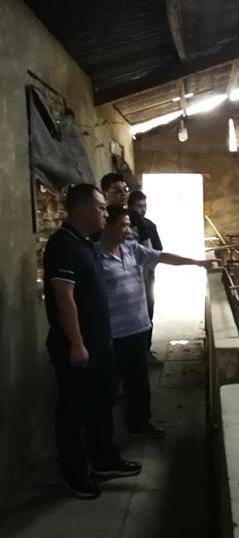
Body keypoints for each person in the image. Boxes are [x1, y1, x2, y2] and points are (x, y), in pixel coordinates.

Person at [43, 184, 142, 500]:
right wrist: (76, 343)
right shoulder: (62, 245)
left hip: (99, 343)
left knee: (102, 402)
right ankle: (74, 474)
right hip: (78, 346)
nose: (105, 213)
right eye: (100, 207)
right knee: (75, 410)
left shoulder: (85, 244)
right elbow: (64, 296)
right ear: (83, 209)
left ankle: (103, 458)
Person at [97, 205, 217, 437]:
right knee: (108, 386)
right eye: (122, 225)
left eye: (128, 225)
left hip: (138, 328)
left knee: (138, 383)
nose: (128, 230)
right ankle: (103, 435)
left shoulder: (132, 249)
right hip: (111, 334)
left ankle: (139, 424)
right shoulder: (95, 256)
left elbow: (162, 257)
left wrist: (197, 262)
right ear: (106, 226)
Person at [128, 190, 163, 364]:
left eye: (144, 206)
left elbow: (157, 252)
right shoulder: (123, 226)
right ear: (129, 207)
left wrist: (148, 271)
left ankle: (146, 351)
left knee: (148, 312)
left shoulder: (149, 226)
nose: (142, 210)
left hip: (147, 278)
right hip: (128, 278)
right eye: (138, 206)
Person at [100, 173, 150, 246]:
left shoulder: (135, 216)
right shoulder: (101, 217)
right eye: (118, 190)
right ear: (105, 194)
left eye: (126, 189)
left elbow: (147, 246)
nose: (123, 193)